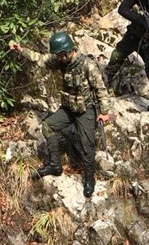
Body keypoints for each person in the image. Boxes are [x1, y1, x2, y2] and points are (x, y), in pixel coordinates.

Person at [10, 32, 110, 198]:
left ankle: (89, 178)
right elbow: (40, 59)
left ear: (69, 50)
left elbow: (100, 89)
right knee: (48, 127)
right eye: (58, 55)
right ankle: (55, 165)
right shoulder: (60, 60)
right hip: (69, 107)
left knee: (87, 144)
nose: (60, 58)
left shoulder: (87, 65)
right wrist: (21, 50)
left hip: (86, 109)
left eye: (61, 55)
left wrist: (104, 112)